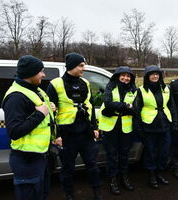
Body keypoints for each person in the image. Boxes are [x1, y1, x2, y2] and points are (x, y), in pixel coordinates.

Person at [46, 53, 102, 200]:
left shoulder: (85, 83)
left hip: (86, 134)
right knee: (68, 169)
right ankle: (69, 195)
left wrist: (95, 127)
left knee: (93, 167)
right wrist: (55, 135)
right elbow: (50, 113)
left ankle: (97, 193)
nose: (84, 68)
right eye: (81, 65)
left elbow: (90, 106)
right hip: (67, 135)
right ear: (72, 66)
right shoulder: (55, 84)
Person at [2, 55, 57, 200]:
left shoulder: (35, 90)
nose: (44, 75)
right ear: (30, 73)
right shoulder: (16, 97)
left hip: (40, 156)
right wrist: (40, 114)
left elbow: (43, 116)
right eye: (41, 71)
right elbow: (14, 131)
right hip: (27, 160)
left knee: (42, 195)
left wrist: (51, 109)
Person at [134, 65, 178, 189]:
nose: (155, 76)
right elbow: (136, 111)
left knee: (164, 153)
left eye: (157, 74)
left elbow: (172, 107)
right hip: (149, 127)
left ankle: (159, 174)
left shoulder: (166, 89)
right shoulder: (141, 90)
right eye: (152, 74)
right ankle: (151, 176)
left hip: (165, 126)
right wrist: (139, 129)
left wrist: (174, 123)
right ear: (147, 76)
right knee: (151, 153)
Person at [98, 66, 136, 195]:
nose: (126, 78)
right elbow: (108, 103)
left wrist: (118, 106)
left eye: (128, 76)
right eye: (123, 75)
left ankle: (124, 178)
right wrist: (126, 106)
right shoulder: (111, 87)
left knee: (124, 154)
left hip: (125, 127)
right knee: (112, 155)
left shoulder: (133, 90)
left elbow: (135, 108)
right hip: (110, 127)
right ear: (118, 76)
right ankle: (113, 180)